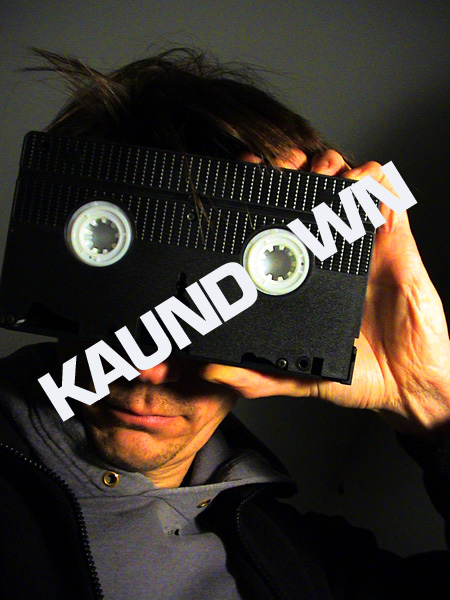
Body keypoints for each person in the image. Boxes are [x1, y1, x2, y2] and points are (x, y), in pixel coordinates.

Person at [1, 47, 450, 600]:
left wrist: (431, 401)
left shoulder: (307, 563)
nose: (150, 368)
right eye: (121, 303)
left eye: (218, 310)